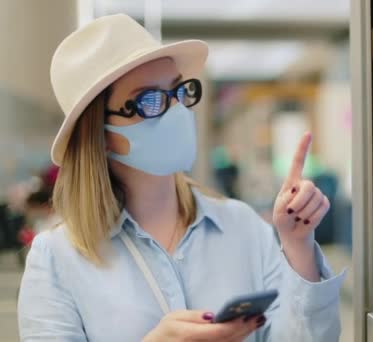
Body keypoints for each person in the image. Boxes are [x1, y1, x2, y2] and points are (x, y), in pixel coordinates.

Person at [18, 14, 344, 342]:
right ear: (100, 136)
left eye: (178, 90)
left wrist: (298, 246)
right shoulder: (57, 258)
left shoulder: (242, 227)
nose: (176, 109)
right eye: (149, 99)